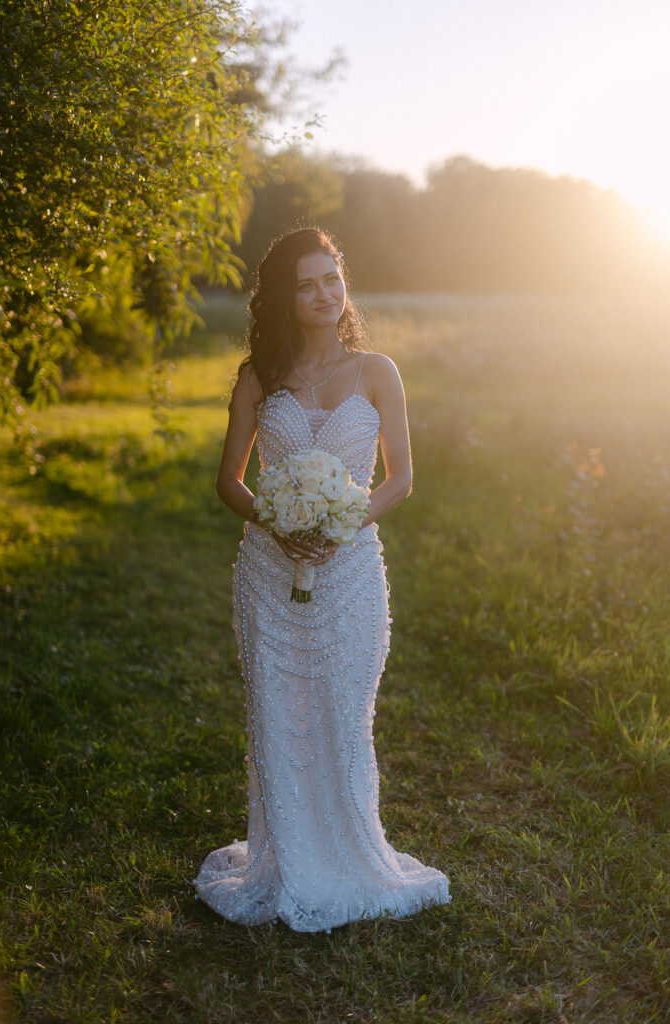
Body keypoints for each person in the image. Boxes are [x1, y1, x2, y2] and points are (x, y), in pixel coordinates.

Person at [193, 227, 450, 932]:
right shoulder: (257, 377)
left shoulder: (376, 372)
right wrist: (277, 521)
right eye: (306, 283)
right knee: (277, 714)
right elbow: (230, 481)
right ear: (283, 295)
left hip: (350, 571)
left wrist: (341, 523)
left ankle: (350, 857)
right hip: (267, 571)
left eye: (331, 279)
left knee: (342, 713)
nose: (323, 294)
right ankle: (284, 863)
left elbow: (400, 479)